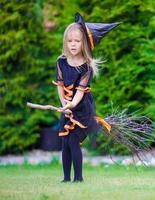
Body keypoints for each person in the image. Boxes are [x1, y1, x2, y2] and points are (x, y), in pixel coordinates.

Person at [52, 13, 119, 183]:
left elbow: (80, 92)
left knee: (74, 140)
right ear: (65, 43)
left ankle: (79, 178)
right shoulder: (61, 62)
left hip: (82, 109)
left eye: (77, 41)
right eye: (70, 41)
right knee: (65, 142)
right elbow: (60, 85)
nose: (73, 44)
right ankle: (66, 178)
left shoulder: (86, 67)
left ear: (84, 44)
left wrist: (71, 105)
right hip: (67, 107)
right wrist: (64, 105)